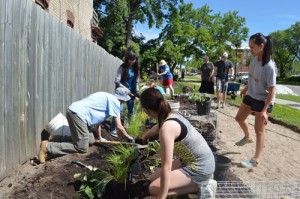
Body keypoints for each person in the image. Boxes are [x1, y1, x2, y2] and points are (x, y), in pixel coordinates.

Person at [140, 88, 216, 198]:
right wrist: (145, 136)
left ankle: (202, 186)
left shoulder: (166, 129)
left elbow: (166, 166)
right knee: (152, 179)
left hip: (200, 168)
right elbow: (157, 127)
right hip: (191, 160)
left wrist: (160, 197)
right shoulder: (170, 114)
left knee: (153, 189)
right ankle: (196, 184)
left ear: (146, 110)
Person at [38, 87, 134, 164]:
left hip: (76, 112)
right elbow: (119, 126)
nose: (124, 103)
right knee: (82, 147)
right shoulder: (115, 102)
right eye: (124, 101)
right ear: (122, 98)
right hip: (79, 116)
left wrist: (100, 137)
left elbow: (98, 122)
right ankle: (47, 146)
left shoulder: (107, 97)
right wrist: (127, 137)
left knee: (91, 140)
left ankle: (55, 138)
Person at [235, 33, 276, 168]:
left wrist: (264, 110)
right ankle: (247, 137)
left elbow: (272, 91)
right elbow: (253, 77)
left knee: (259, 130)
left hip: (264, 100)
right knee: (239, 118)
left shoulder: (269, 66)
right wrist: (246, 88)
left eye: (252, 47)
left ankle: (255, 160)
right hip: (251, 95)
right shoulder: (254, 59)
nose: (250, 50)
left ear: (261, 46)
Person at [110, 50, 140, 137]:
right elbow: (117, 81)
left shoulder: (136, 69)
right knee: (118, 110)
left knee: (131, 110)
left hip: (132, 92)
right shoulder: (122, 67)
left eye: (133, 59)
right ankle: (113, 129)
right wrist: (126, 89)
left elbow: (137, 81)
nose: (131, 61)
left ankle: (130, 127)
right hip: (121, 92)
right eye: (130, 59)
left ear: (135, 60)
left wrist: (137, 92)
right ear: (127, 59)